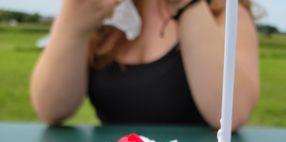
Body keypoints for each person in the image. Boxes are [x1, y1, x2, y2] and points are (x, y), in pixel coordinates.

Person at [30, 0, 259, 128]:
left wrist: (189, 6)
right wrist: (72, 27)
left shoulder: (225, 11)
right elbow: (52, 110)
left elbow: (231, 116)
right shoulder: (101, 9)